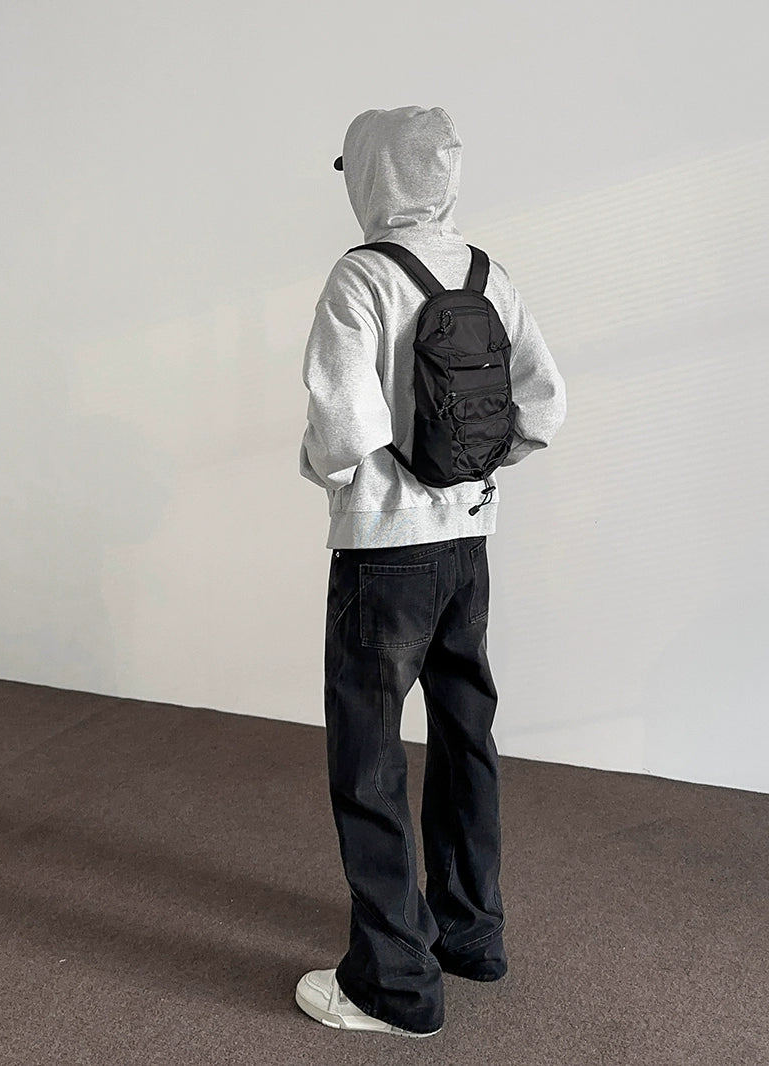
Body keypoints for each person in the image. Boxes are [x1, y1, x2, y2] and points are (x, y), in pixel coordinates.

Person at [295, 105, 567, 1037]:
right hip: (469, 544)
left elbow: (342, 434)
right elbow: (544, 407)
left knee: (369, 760)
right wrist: (474, 472)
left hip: (384, 554)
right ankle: (471, 934)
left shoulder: (361, 277)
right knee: (465, 737)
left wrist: (335, 479)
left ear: (373, 174)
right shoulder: (487, 273)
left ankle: (394, 988)